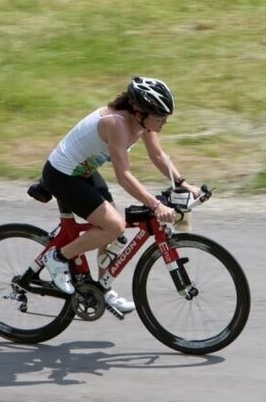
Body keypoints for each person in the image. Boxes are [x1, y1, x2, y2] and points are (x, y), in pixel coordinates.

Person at [40, 76, 201, 314]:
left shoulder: (142, 123)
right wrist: (156, 206)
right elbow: (123, 176)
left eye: (166, 117)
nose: (164, 122)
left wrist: (182, 183)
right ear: (139, 111)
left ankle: (103, 288)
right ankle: (57, 258)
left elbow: (157, 155)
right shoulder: (116, 123)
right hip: (62, 175)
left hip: (82, 172)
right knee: (113, 226)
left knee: (116, 228)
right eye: (160, 117)